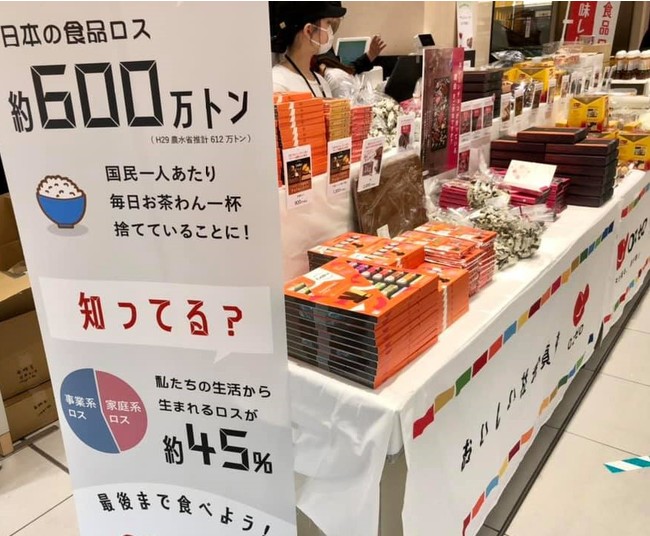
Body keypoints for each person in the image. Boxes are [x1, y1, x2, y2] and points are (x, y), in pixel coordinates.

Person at [269, 2, 347, 97]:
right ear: (308, 30)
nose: (330, 31)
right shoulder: (278, 84)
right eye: (328, 23)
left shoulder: (321, 82)